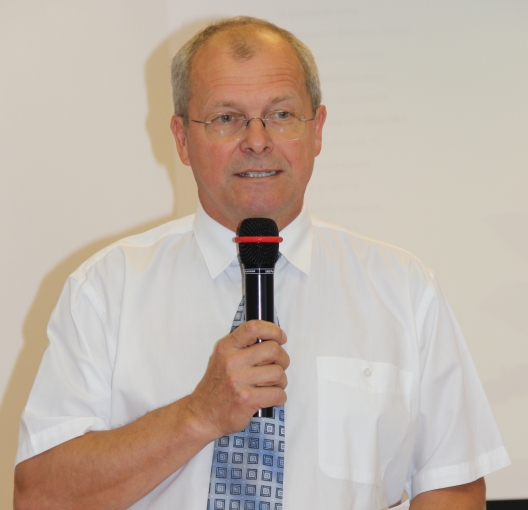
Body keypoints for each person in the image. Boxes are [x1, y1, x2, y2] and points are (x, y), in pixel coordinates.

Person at [14, 16, 509, 510]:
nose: (256, 140)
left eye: (281, 114)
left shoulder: (404, 289)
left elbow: (454, 483)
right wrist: (198, 415)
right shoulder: (104, 290)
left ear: (317, 130)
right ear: (182, 139)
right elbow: (39, 498)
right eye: (226, 118)